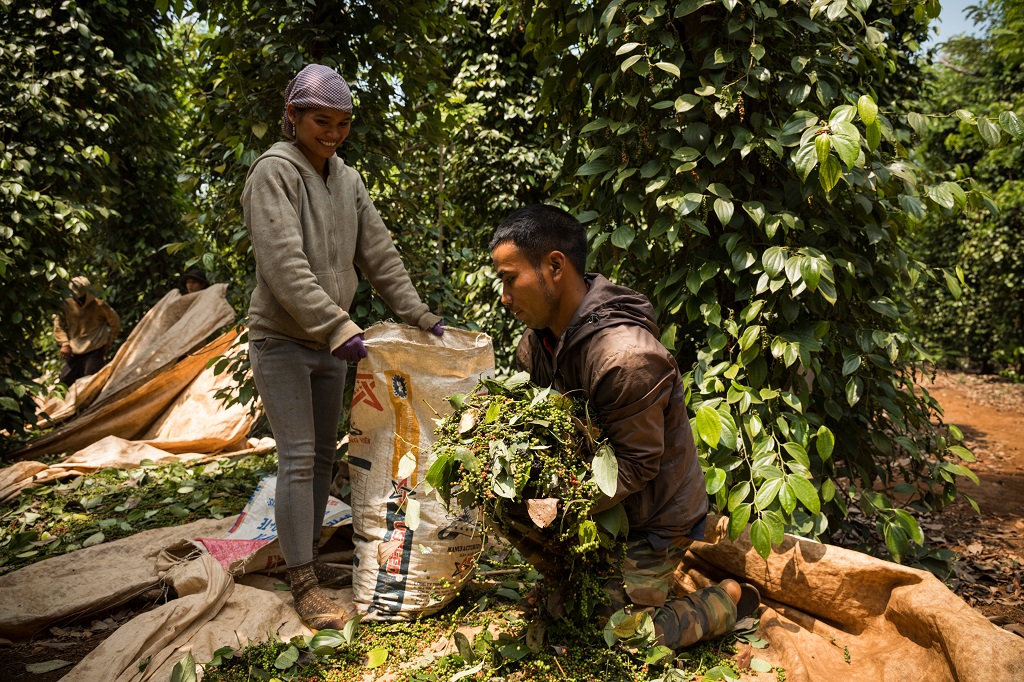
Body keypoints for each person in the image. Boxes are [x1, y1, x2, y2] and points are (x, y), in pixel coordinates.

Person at [489, 204, 759, 650]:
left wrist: (559, 504)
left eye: (509, 278)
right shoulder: (534, 345)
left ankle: (723, 601)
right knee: (499, 500)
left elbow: (637, 465)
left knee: (610, 636)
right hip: (593, 501)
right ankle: (579, 581)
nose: (505, 296)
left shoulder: (624, 358)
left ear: (555, 266)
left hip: (652, 517)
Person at [242, 63, 443, 631]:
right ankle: (302, 582)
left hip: (331, 343)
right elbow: (283, 266)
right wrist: (337, 327)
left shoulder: (347, 180)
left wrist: (421, 317)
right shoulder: (274, 174)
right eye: (320, 122)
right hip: (282, 340)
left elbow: (379, 255)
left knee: (326, 457)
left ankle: (304, 560)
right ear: (293, 117)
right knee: (299, 458)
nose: (331, 134)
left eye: (342, 124)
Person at [53, 276, 121, 387]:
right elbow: (58, 325)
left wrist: (108, 341)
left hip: (94, 350)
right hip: (74, 351)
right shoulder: (66, 306)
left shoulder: (99, 305)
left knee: (91, 384)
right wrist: (65, 343)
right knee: (64, 382)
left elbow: (115, 323)